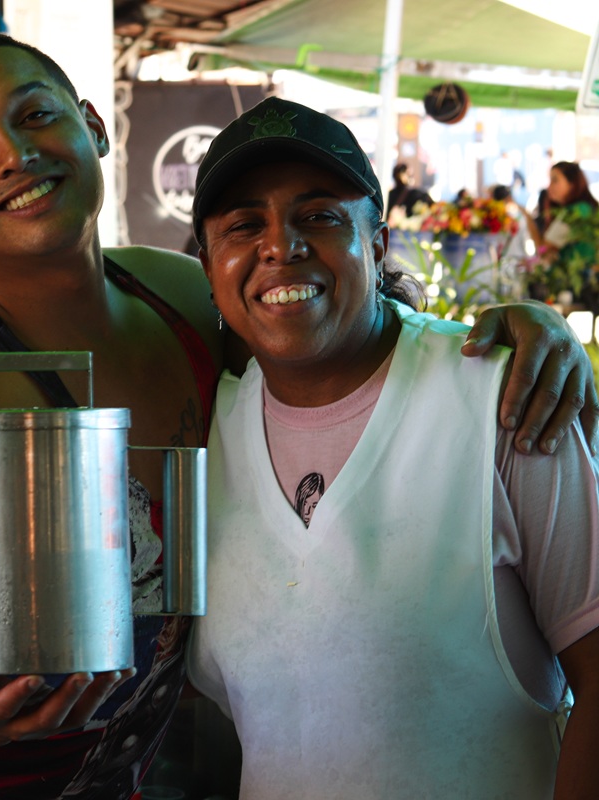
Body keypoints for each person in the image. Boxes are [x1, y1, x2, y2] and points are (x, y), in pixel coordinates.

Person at [0, 31, 599, 800]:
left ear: (94, 125)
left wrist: (527, 328)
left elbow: (331, 346)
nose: (10, 156)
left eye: (36, 116)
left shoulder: (189, 298)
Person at [186, 97, 599, 798]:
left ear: (377, 243)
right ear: (206, 266)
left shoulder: (502, 398)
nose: (280, 245)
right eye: (243, 224)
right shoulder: (203, 429)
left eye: (319, 215)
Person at [522, 161, 599, 311]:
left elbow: (544, 248)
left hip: (578, 286)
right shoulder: (587, 208)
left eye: (555, 180)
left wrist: (527, 218)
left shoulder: (576, 211)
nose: (549, 186)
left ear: (572, 184)